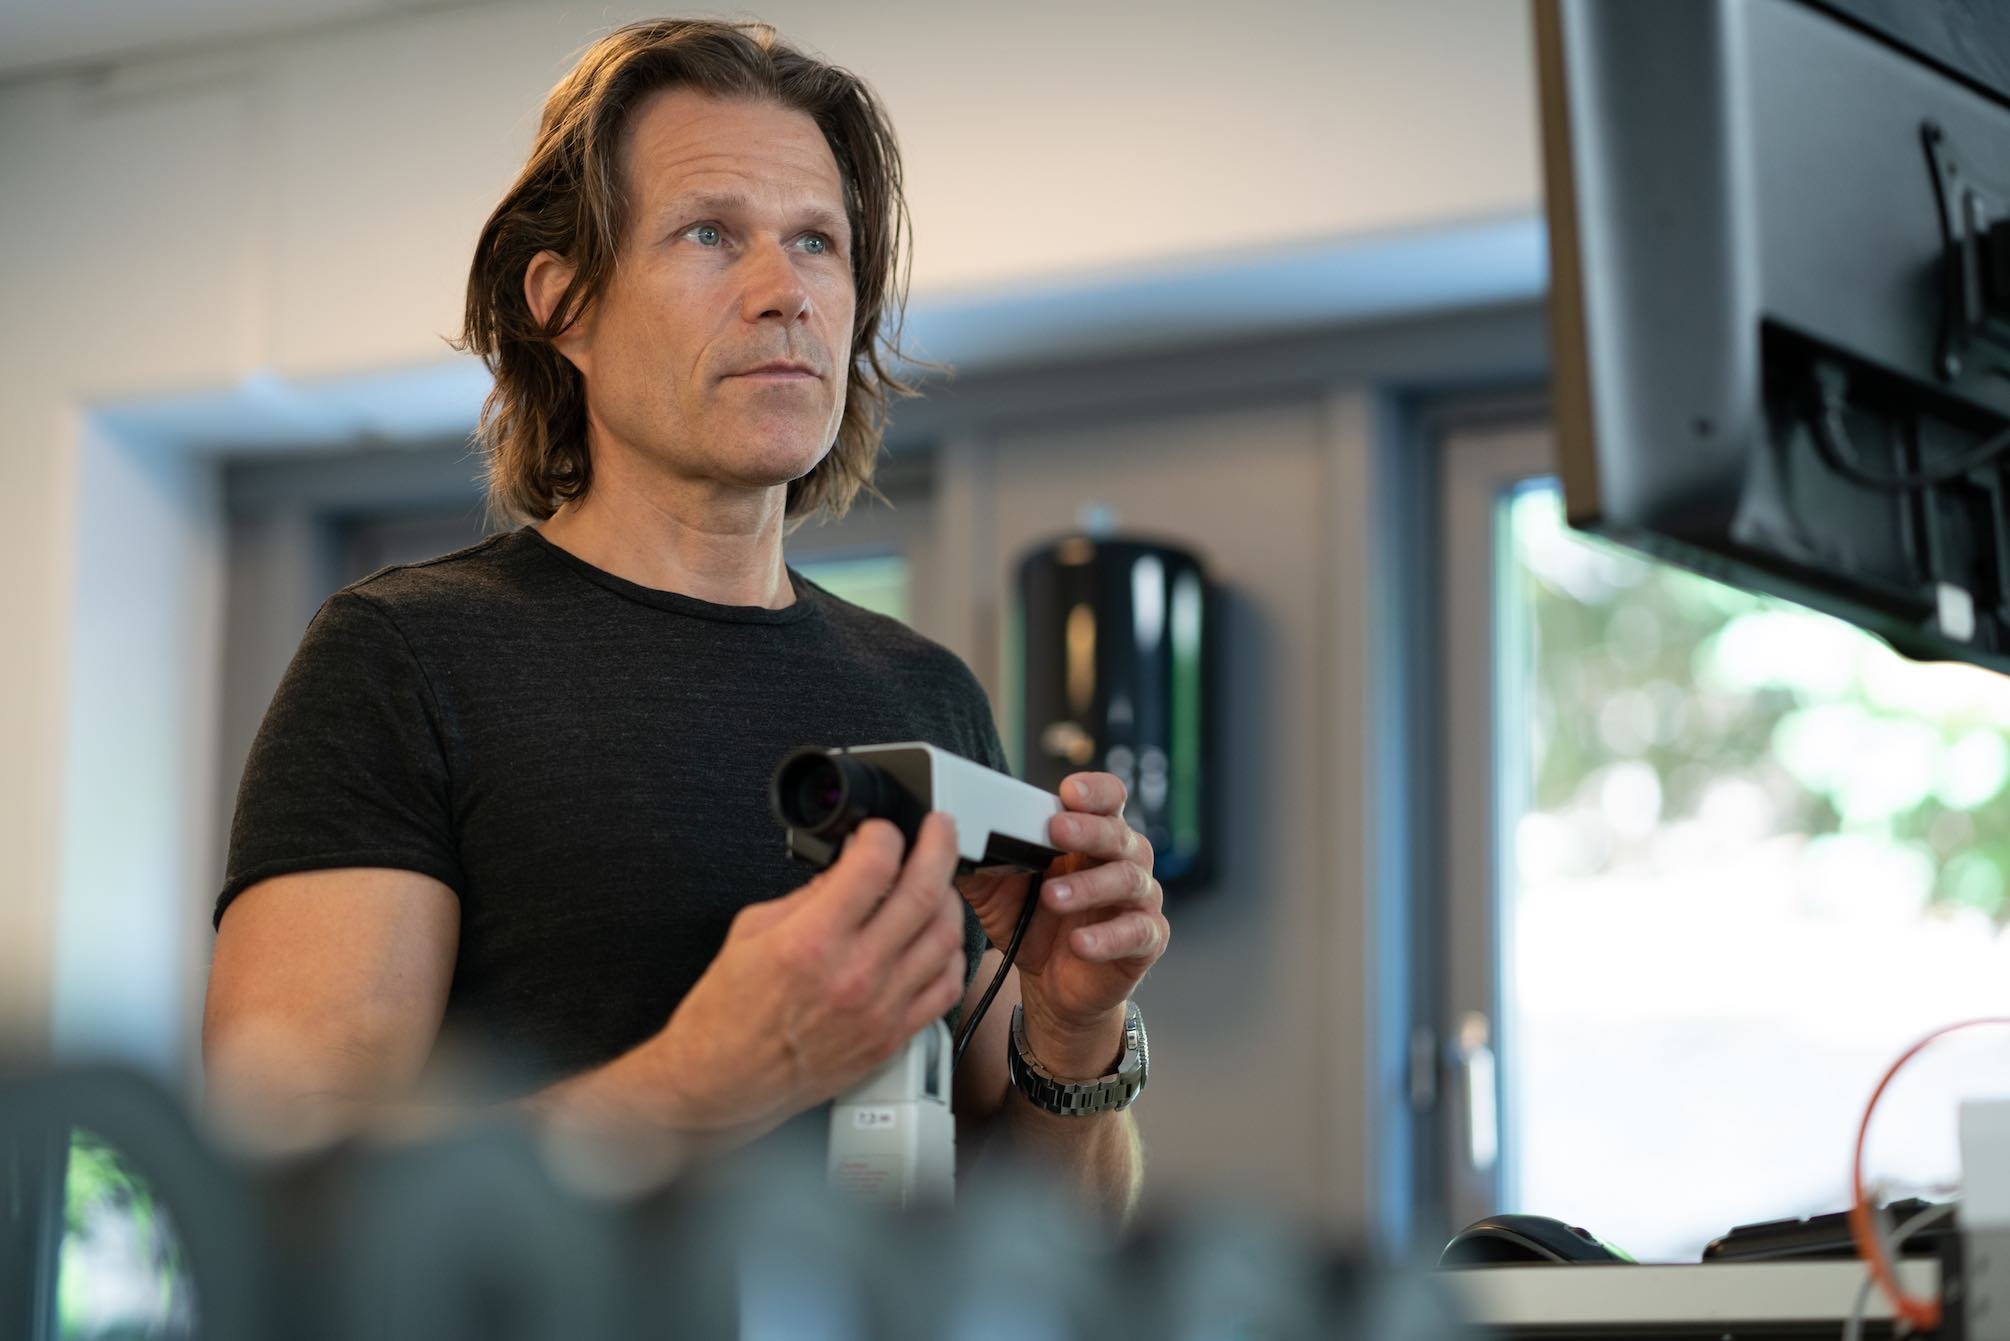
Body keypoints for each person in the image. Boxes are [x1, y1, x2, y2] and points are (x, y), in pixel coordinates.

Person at [201, 18, 1169, 1221]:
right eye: (711, 233)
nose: (786, 293)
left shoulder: (929, 700)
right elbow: (282, 1202)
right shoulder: (403, 661)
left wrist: (1076, 1028)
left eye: (818, 241)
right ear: (565, 306)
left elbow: (1037, 1258)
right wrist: (704, 1080)